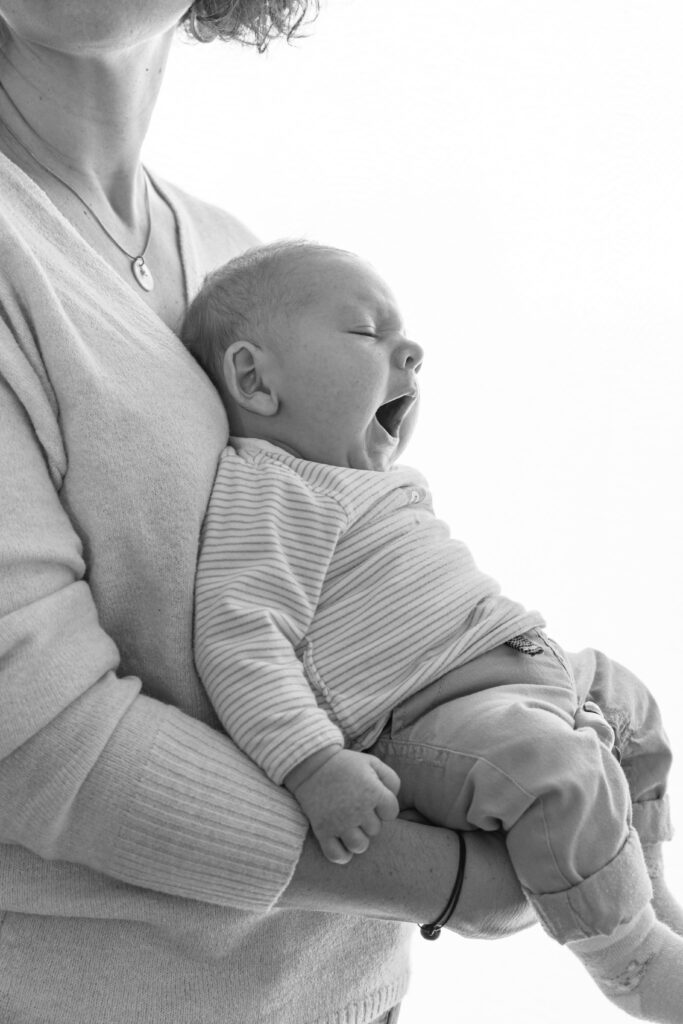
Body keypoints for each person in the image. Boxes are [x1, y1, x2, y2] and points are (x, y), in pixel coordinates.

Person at [0, 4, 552, 1023]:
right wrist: (459, 879)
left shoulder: (233, 254)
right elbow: (37, 739)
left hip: (350, 996)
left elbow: (336, 590)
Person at [181, 239, 683, 1022]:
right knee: (551, 767)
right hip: (426, 721)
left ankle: (640, 888)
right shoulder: (271, 488)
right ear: (254, 379)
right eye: (365, 334)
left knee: (629, 703)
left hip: (522, 675)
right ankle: (628, 961)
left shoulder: (373, 481)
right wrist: (312, 764)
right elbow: (240, 639)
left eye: (403, 337)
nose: (408, 350)